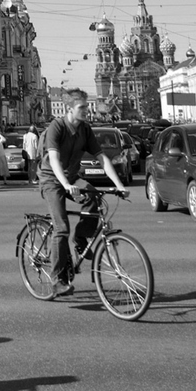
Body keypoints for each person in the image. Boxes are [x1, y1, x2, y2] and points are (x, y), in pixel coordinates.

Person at [38, 89, 128, 298]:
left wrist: (119, 184)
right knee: (61, 228)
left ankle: (81, 239)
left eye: (87, 106)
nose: (87, 110)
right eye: (82, 107)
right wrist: (66, 185)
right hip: (52, 180)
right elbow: (53, 159)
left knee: (94, 196)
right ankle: (57, 280)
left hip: (71, 177)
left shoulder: (85, 129)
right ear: (69, 109)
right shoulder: (57, 127)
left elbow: (101, 158)